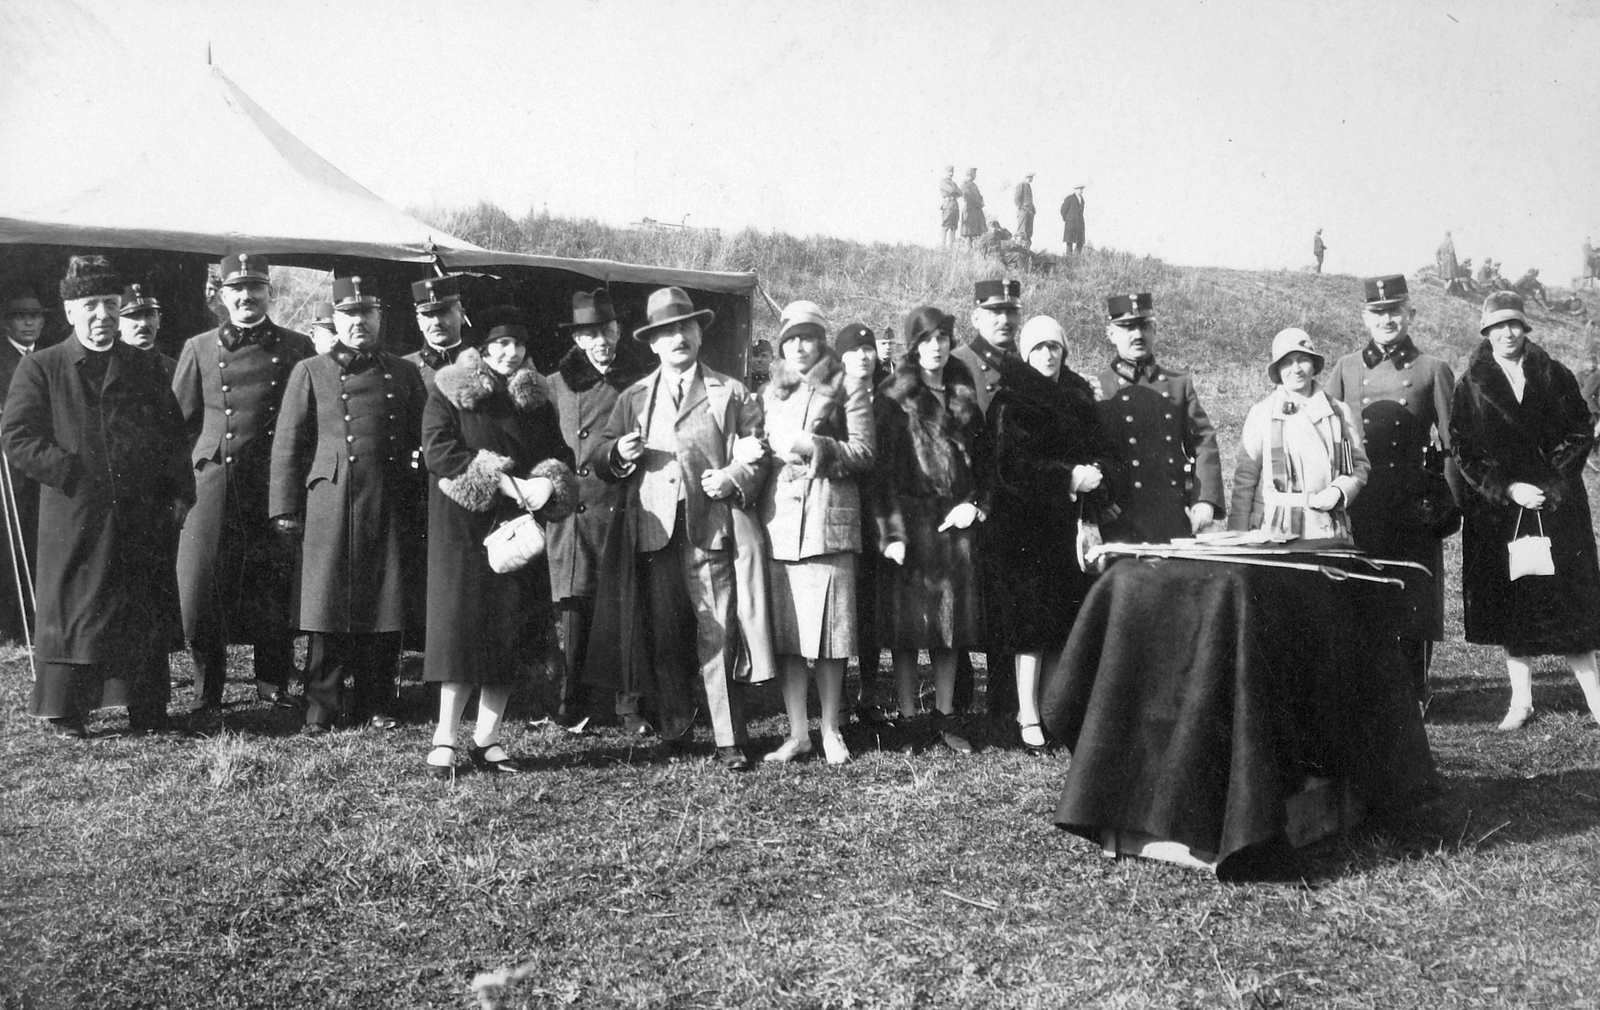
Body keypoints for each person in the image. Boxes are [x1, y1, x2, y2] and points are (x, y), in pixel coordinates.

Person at [1, 256, 192, 737]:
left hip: (140, 514)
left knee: (140, 605)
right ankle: (65, 710)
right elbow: (18, 436)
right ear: (70, 312)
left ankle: (146, 706)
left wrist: (179, 495)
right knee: (76, 611)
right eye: (91, 305)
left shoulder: (147, 366)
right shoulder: (42, 368)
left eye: (111, 304)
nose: (103, 315)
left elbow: (174, 436)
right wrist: (68, 471)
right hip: (75, 513)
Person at [588, 286, 768, 772]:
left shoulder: (729, 391)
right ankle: (675, 728)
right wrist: (618, 456)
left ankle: (729, 738)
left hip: (709, 529)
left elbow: (758, 454)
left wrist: (732, 477)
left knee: (717, 629)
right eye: (666, 332)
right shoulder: (635, 396)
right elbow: (600, 454)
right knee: (665, 635)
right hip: (654, 532)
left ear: (699, 332)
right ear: (652, 343)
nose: (678, 338)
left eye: (685, 327)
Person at [269, 275, 428, 734]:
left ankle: (377, 701)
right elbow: (288, 443)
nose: (358, 322)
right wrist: (284, 508)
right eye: (349, 315)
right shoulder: (311, 371)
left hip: (387, 500)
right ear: (335, 320)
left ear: (380, 318)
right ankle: (322, 705)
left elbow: (423, 435)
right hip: (330, 503)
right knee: (326, 606)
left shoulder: (403, 371)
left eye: (366, 314)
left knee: (385, 604)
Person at [421, 306, 576, 776]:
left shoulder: (535, 400)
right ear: (483, 349)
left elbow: (560, 456)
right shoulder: (449, 391)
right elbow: (440, 451)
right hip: (464, 532)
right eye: (501, 345)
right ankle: (445, 738)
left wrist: (549, 483)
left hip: (518, 534)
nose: (510, 354)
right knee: (461, 635)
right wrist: (507, 482)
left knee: (508, 634)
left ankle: (487, 740)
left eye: (519, 345)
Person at [173, 253, 317, 716]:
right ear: (222, 295)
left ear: (269, 293)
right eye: (237, 289)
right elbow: (178, 424)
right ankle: (206, 686)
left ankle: (272, 682)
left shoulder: (298, 346)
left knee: (272, 585)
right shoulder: (198, 347)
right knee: (202, 586)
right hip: (215, 482)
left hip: (273, 482)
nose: (247, 297)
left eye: (256, 288)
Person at [1450, 292, 1600, 730]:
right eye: (1497, 326)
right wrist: (1510, 488)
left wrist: (1550, 483)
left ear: (1525, 327)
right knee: (1515, 606)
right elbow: (1465, 449)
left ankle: (1595, 698)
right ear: (1486, 332)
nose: (1507, 333)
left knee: (1571, 605)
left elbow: (1580, 430)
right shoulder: (1470, 384)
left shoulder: (1554, 373)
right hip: (1501, 511)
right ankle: (1521, 702)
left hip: (1558, 507)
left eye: (1514, 324)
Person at [984, 315, 1119, 751]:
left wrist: (1098, 474)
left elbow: (1103, 450)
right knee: (1030, 624)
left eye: (1054, 347)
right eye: (1039, 347)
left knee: (1065, 618)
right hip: (1026, 529)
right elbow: (1011, 467)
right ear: (1026, 354)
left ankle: (1055, 709)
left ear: (1064, 351)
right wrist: (1067, 477)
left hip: (1071, 528)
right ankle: (1026, 711)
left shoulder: (1078, 397)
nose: (1047, 354)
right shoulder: (1011, 400)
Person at [1323, 274, 1458, 702]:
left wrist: (1450, 506)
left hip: (1411, 502)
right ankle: (1368, 689)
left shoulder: (1433, 369)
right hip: (1359, 498)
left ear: (1410, 314)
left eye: (1394, 311)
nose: (1387, 319)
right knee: (1361, 590)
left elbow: (1453, 445)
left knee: (1413, 593)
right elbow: (1322, 432)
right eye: (1378, 312)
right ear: (1365, 317)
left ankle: (1414, 690)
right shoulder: (1345, 368)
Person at [758, 302, 874, 766]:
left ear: (822, 341)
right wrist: (762, 454)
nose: (799, 345)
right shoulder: (771, 393)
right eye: (791, 338)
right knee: (789, 638)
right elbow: (764, 450)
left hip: (829, 522)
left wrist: (815, 447)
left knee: (830, 635)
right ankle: (796, 732)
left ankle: (830, 729)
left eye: (808, 337)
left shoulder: (849, 387)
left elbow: (865, 453)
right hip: (782, 525)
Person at [873, 305, 993, 754]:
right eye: (926, 340)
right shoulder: (892, 396)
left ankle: (945, 718)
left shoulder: (964, 391)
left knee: (949, 627)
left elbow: (985, 464)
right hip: (910, 523)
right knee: (907, 630)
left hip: (954, 525)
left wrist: (976, 506)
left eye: (942, 338)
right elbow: (881, 475)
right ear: (913, 346)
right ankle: (907, 719)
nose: (936, 347)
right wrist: (890, 536)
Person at [544, 288, 649, 732]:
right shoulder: (554, 385)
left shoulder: (640, 384)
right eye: (590, 333)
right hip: (572, 513)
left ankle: (629, 706)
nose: (601, 340)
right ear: (578, 339)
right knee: (574, 609)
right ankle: (572, 703)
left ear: (619, 331)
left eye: (607, 329)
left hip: (623, 508)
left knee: (626, 610)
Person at [1090, 292, 1224, 543]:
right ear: (1111, 334)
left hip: (1170, 516)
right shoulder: (1097, 387)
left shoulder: (1178, 385)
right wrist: (1100, 500)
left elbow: (1203, 442)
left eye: (1144, 326)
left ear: (1155, 330)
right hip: (1118, 518)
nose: (1137, 335)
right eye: (1127, 327)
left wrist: (1204, 499)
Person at [950, 279, 1024, 714]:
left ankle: (1002, 699)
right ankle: (956, 698)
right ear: (976, 317)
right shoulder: (958, 362)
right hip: (962, 498)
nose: (1004, 320)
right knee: (961, 598)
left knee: (1002, 599)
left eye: (1011, 312)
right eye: (994, 312)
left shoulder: (1022, 366)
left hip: (1008, 503)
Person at [1229, 328, 1369, 542]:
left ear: (1313, 365)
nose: (1296, 369)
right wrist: (1237, 535)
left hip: (1328, 530)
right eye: (1287, 362)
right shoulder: (1262, 413)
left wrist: (1339, 491)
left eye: (1303, 360)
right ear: (1278, 370)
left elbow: (1359, 467)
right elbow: (1245, 480)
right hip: (1273, 531)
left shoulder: (1338, 412)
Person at [835, 323, 892, 723]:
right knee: (841, 606)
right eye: (854, 351)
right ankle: (835, 697)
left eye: (869, 349)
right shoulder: (830, 397)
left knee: (872, 606)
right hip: (840, 509)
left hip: (880, 510)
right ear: (841, 358)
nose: (863, 356)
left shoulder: (892, 395)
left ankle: (868, 692)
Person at [0, 284, 48, 644]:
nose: (29, 323)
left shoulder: (46, 358)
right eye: (21, 317)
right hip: (7, 467)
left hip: (40, 464)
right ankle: (12, 624)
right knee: (9, 542)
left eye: (35, 316)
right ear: (7, 324)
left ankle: (36, 618)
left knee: (38, 538)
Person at [403, 275, 468, 392]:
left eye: (444, 312)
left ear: (462, 316)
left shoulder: (483, 362)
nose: (437, 322)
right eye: (428, 315)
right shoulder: (404, 370)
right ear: (419, 322)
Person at [116, 282, 176, 379]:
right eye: (134, 316)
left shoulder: (174, 369)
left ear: (159, 320)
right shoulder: (109, 367)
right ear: (117, 323)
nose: (143, 323)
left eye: (149, 315)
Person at [960, 168, 986, 247]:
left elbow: (979, 196)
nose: (976, 175)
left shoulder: (974, 185)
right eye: (974, 173)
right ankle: (969, 249)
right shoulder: (965, 185)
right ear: (971, 174)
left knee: (977, 231)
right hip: (970, 210)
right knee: (969, 232)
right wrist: (978, 203)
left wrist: (981, 202)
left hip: (976, 211)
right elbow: (968, 197)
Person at [939, 166, 961, 249]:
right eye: (949, 172)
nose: (950, 174)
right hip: (947, 205)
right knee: (945, 226)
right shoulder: (943, 182)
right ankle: (943, 246)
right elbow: (951, 190)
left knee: (953, 226)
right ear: (945, 172)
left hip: (954, 205)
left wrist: (955, 190)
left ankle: (951, 246)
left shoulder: (954, 183)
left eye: (952, 172)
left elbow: (960, 192)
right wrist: (955, 190)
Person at [1061, 185, 1086, 254]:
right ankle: (1069, 261)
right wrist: (1068, 220)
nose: (1082, 191)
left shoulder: (1082, 200)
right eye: (1080, 189)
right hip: (1071, 224)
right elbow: (1063, 210)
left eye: (1082, 189)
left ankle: (1076, 260)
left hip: (1079, 224)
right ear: (1076, 189)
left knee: (1080, 242)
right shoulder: (1069, 198)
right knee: (1069, 242)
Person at [1013, 173, 1035, 247]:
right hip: (1024, 211)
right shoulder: (1021, 185)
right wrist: (1020, 207)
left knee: (1028, 232)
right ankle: (1019, 248)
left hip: (1029, 211)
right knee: (1022, 231)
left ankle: (1026, 250)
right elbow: (1016, 198)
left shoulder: (1028, 186)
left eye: (1031, 177)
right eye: (1030, 177)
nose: (1031, 179)